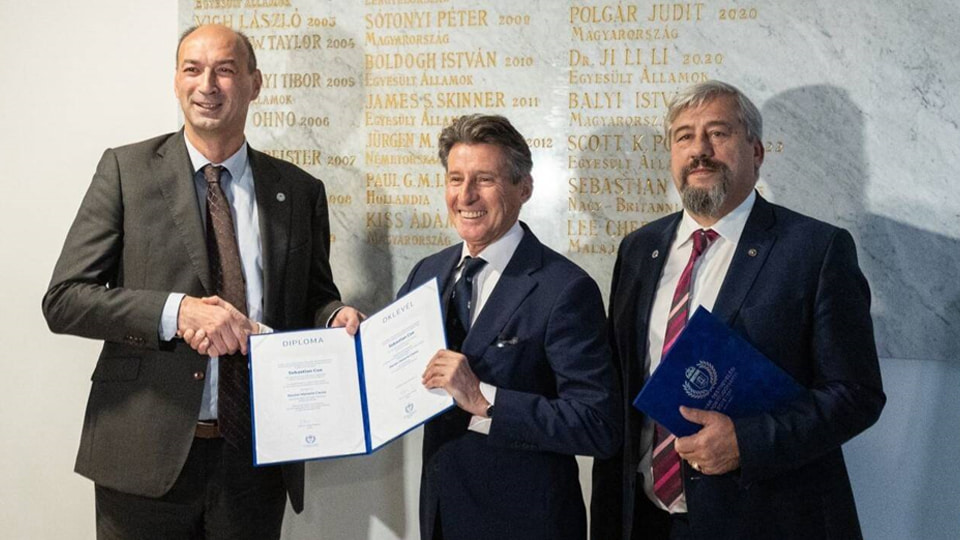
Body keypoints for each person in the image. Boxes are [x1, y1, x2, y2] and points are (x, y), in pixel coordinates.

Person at [42, 24, 360, 539]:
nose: (207, 84)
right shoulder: (126, 170)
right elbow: (65, 300)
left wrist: (333, 315)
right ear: (175, 81)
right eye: (193, 69)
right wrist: (177, 312)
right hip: (143, 459)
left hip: (255, 459)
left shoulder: (299, 191)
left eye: (226, 70)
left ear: (255, 84)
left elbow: (313, 297)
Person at [590, 80, 885, 539]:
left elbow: (856, 393)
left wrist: (746, 443)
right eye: (684, 136)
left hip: (764, 519)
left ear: (757, 151)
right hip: (645, 520)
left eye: (719, 133)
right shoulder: (638, 249)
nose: (699, 150)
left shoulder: (815, 249)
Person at [397, 114, 621, 540]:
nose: (466, 196)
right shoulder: (428, 272)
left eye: (484, 179)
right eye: (456, 178)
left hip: (529, 524)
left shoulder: (566, 288)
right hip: (441, 519)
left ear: (524, 188)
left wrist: (484, 399)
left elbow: (598, 424)